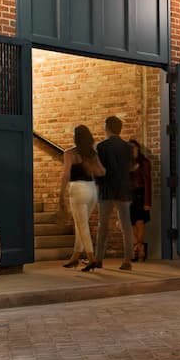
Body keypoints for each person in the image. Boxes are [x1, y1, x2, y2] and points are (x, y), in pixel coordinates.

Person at [91, 116, 135, 271]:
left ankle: (98, 259)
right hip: (123, 189)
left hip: (106, 189)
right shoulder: (128, 147)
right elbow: (130, 167)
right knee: (126, 226)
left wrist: (96, 184)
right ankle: (127, 260)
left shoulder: (102, 146)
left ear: (107, 127)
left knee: (103, 225)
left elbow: (98, 168)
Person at [59, 125, 105, 270]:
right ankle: (75, 257)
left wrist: (61, 194)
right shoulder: (92, 154)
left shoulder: (69, 153)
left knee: (82, 225)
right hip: (92, 189)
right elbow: (102, 172)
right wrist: (90, 166)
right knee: (81, 224)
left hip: (78, 189)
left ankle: (91, 259)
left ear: (75, 137)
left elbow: (66, 174)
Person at [129, 139, 152, 261]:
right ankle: (140, 247)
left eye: (133, 147)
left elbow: (148, 182)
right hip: (129, 195)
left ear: (138, 148)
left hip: (140, 194)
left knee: (139, 222)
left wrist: (147, 202)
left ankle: (136, 248)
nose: (131, 149)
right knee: (131, 222)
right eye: (129, 147)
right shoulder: (127, 163)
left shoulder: (144, 162)